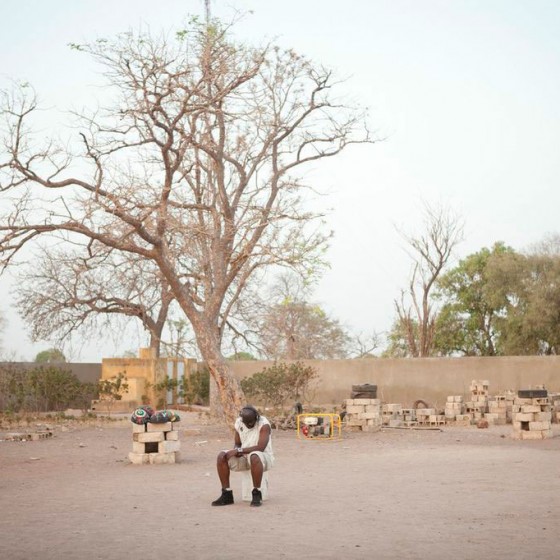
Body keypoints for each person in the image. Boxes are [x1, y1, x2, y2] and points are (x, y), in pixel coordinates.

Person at [211, 405, 274, 507]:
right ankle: (226, 494)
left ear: (256, 417)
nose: (249, 424)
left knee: (254, 456)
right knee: (222, 456)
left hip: (264, 458)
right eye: (247, 423)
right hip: (244, 457)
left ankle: (256, 493)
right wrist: (237, 451)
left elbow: (261, 447)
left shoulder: (264, 424)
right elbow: (237, 443)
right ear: (243, 420)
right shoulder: (239, 423)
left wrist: (239, 450)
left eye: (251, 422)